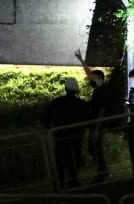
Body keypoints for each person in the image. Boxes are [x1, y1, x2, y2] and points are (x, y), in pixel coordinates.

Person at [43, 78, 91, 189]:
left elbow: (46, 119)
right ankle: (73, 182)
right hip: (76, 136)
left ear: (65, 88)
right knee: (74, 160)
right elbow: (88, 120)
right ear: (77, 90)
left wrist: (52, 129)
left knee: (60, 161)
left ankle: (59, 184)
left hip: (60, 136)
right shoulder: (81, 104)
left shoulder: (57, 102)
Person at [74, 49, 110, 181]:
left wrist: (97, 128)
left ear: (100, 78)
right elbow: (90, 74)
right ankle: (103, 170)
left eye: (94, 78)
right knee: (93, 148)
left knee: (96, 148)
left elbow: (102, 110)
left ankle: (103, 171)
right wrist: (82, 61)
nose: (91, 79)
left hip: (99, 125)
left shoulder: (102, 91)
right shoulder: (98, 89)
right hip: (96, 124)